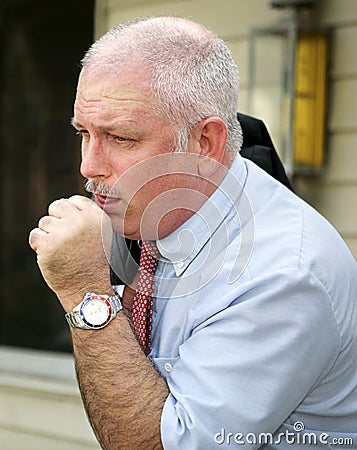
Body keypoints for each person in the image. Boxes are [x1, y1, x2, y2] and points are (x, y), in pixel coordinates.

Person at [29, 16, 357, 450]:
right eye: (83, 133)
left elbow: (162, 444)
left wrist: (86, 295)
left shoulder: (282, 275)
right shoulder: (154, 214)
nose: (88, 166)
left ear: (205, 143)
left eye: (120, 137)